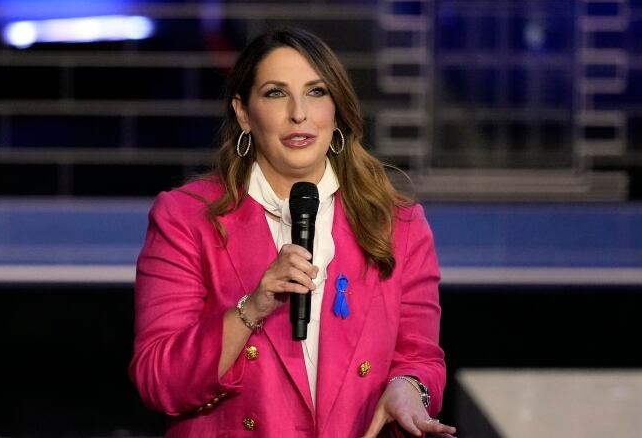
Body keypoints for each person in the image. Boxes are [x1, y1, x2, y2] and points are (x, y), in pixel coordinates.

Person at [130, 27, 456, 438]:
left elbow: (420, 358)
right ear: (244, 113)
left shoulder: (398, 224)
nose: (299, 113)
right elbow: (159, 381)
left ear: (336, 109)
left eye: (316, 92)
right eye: (276, 93)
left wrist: (408, 388)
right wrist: (255, 306)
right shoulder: (184, 218)